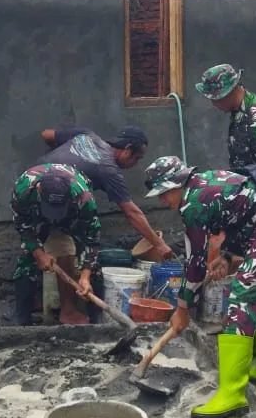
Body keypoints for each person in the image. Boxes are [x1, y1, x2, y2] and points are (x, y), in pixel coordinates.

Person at [143, 156, 256, 418]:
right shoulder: (207, 183)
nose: (163, 202)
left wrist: (183, 308)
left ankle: (232, 394)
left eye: (164, 194)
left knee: (244, 294)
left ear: (177, 184)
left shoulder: (193, 203)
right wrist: (228, 255)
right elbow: (243, 212)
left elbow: (195, 265)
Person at [35, 125, 172, 319]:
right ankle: (67, 311)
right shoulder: (108, 169)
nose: (136, 163)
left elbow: (46, 134)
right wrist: (158, 244)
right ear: (127, 149)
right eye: (137, 158)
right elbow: (132, 212)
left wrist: (56, 158)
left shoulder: (87, 135)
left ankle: (32, 311)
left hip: (33, 183)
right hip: (59, 195)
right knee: (66, 248)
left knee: (34, 245)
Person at [194, 63, 256, 324]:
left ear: (231, 91)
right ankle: (252, 343)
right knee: (250, 292)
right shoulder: (238, 114)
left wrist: (245, 237)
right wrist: (230, 249)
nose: (213, 105)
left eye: (216, 99)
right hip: (251, 207)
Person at [11, 163, 102, 326]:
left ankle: (97, 323)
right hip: (37, 213)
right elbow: (23, 226)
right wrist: (39, 254)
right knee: (27, 260)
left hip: (71, 214)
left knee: (92, 266)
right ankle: (22, 321)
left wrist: (85, 276)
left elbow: (91, 237)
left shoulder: (83, 197)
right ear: (39, 189)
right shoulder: (23, 189)